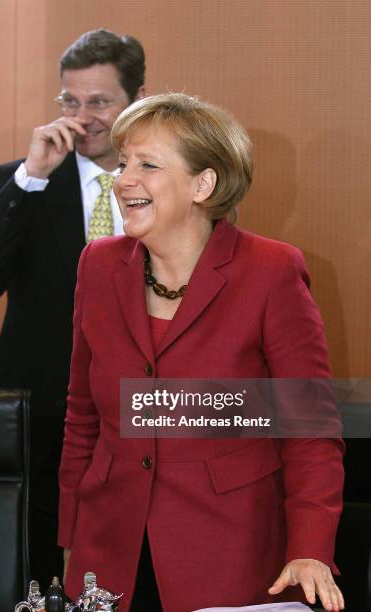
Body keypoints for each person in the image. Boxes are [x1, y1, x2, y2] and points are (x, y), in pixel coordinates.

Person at [58, 93, 345, 611]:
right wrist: (70, 538)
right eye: (124, 163)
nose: (124, 179)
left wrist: (311, 549)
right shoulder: (97, 265)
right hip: (108, 551)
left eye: (147, 164)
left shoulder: (271, 271)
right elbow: (81, 414)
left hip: (227, 552)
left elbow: (310, 428)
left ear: (203, 184)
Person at [0, 29, 146, 585]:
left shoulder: (163, 180)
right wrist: (30, 177)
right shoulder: (26, 181)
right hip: (38, 415)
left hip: (135, 411)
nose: (83, 118)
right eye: (70, 101)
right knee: (32, 572)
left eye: (100, 102)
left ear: (136, 99)